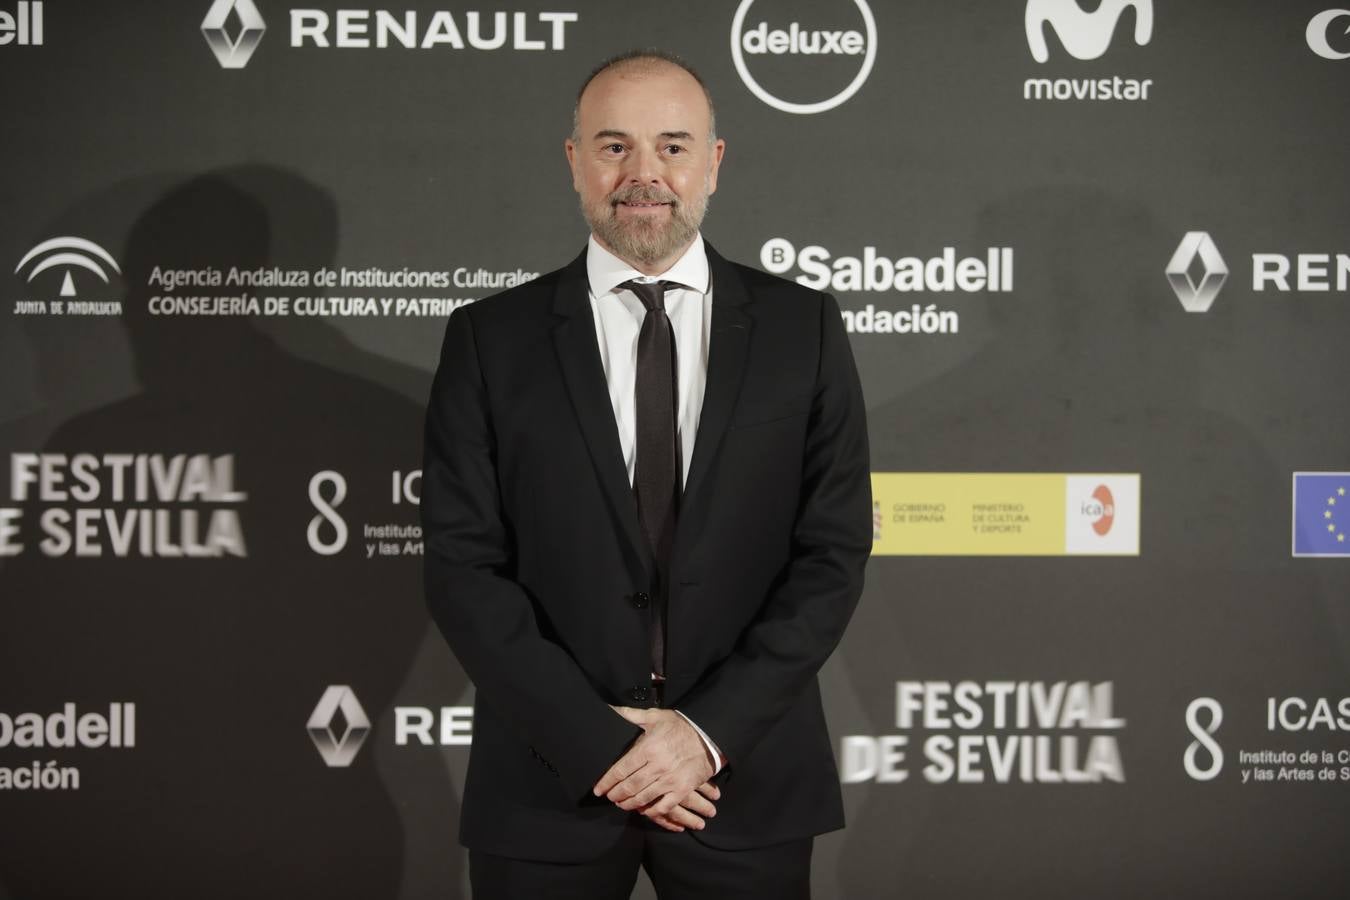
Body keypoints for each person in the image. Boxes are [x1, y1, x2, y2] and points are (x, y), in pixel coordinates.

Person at [420, 48, 872, 899]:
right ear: (574, 161)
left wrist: (703, 735)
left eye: (671, 145)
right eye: (614, 145)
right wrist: (601, 746)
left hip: (740, 785)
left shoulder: (801, 329)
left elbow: (833, 553)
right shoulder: (491, 339)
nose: (643, 174)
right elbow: (461, 566)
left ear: (713, 161)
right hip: (549, 784)